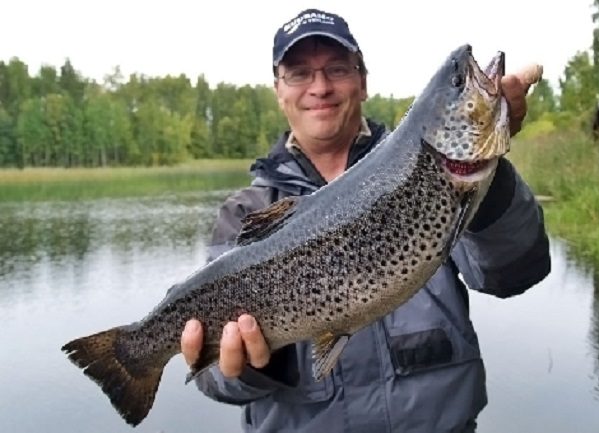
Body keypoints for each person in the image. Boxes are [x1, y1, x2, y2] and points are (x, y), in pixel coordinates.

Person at [181, 8, 551, 433]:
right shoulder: (244, 215)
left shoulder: (423, 170)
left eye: (336, 68)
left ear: (363, 80)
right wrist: (250, 363)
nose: (320, 87)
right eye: (300, 73)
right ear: (279, 90)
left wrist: (489, 170)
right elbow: (212, 379)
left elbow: (517, 274)